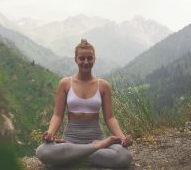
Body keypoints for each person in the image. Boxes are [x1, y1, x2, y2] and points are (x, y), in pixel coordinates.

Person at [36, 39, 133, 168]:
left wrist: (122, 138)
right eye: (82, 58)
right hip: (71, 140)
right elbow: (57, 115)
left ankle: (73, 156)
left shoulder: (103, 86)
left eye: (89, 58)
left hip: (96, 137)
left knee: (124, 156)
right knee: (42, 152)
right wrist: (50, 132)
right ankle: (93, 149)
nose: (86, 62)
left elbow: (110, 117)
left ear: (94, 59)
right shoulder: (65, 83)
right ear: (75, 59)